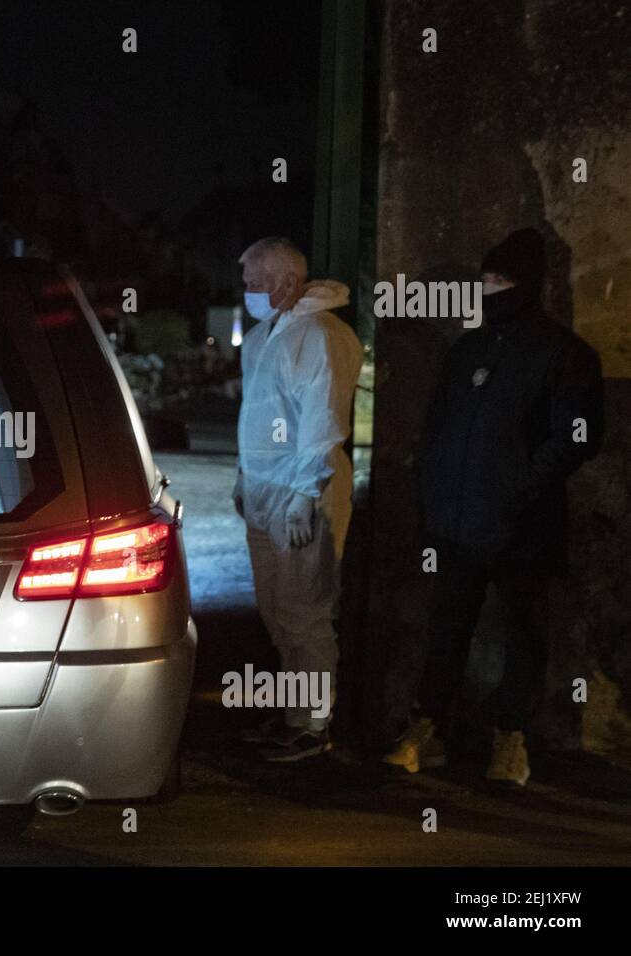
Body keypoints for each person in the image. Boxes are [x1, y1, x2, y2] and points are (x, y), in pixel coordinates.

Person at [383, 228, 604, 787]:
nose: (489, 290)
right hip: (458, 525)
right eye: (484, 280)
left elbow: (577, 435)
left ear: (528, 285)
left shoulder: (565, 354)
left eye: (501, 281)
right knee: (446, 629)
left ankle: (511, 740)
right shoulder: (468, 349)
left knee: (523, 635)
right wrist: (433, 484)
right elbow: (438, 426)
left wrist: (520, 485)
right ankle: (426, 729)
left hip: (521, 527)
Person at [233, 237, 364, 761]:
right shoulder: (271, 335)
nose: (249, 294)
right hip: (267, 489)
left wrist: (304, 495)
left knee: (305, 610)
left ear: (286, 281)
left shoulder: (319, 335)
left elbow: (321, 419)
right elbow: (261, 413)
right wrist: (247, 477)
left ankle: (314, 723)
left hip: (301, 491)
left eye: (256, 284)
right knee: (277, 608)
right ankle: (294, 710)